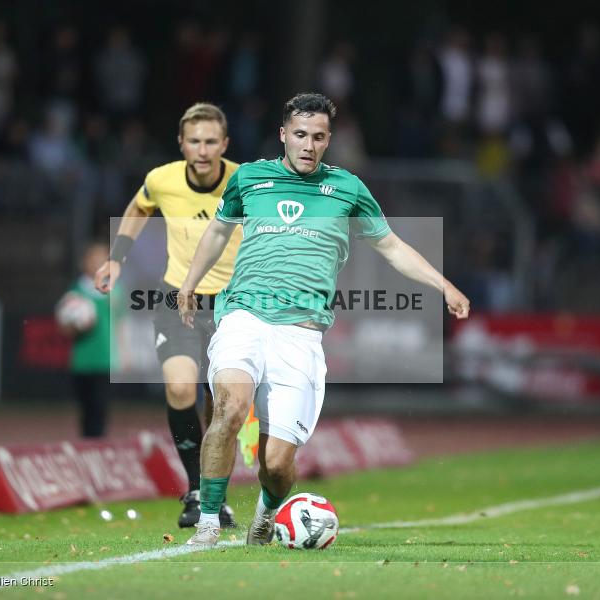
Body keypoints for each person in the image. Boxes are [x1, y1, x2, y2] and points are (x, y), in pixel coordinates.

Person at [177, 93, 471, 546]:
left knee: (275, 464)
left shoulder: (349, 189)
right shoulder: (251, 179)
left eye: (317, 137)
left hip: (302, 333)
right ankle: (209, 523)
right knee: (230, 409)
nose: (308, 145)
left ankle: (267, 511)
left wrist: (444, 285)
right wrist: (189, 283)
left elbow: (391, 246)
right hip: (244, 316)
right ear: (283, 135)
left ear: (329, 139)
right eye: (300, 135)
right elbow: (218, 230)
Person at [94, 103, 241, 528]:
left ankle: (217, 497)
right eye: (194, 141)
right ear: (181, 144)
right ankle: (196, 490)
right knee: (180, 389)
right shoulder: (162, 179)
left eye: (211, 141)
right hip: (179, 298)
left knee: (222, 407)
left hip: (232, 305)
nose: (202, 149)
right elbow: (140, 207)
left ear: (224, 144)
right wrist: (117, 257)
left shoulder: (243, 180)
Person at [58, 242, 124, 438]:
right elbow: (63, 327)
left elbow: (120, 324)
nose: (98, 263)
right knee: (85, 407)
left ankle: (97, 443)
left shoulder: (114, 291)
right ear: (83, 263)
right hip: (82, 361)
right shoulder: (75, 292)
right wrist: (75, 326)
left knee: (99, 406)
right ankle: (87, 442)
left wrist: (124, 353)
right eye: (93, 258)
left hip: (105, 360)